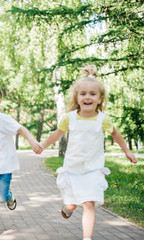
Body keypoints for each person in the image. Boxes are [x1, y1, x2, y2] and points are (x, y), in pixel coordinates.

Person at [38, 65, 138, 240]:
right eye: (83, 93)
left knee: (88, 202)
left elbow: (116, 134)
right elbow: (56, 134)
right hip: (72, 169)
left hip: (92, 170)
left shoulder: (102, 119)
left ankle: (87, 238)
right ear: (77, 97)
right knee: (71, 205)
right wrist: (43, 145)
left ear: (99, 99)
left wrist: (127, 152)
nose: (87, 97)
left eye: (92, 94)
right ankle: (67, 208)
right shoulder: (70, 117)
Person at [0, 85, 41, 238]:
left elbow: (21, 128)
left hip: (4, 166)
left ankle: (9, 196)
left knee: (0, 197)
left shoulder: (3, 119)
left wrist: (32, 142)